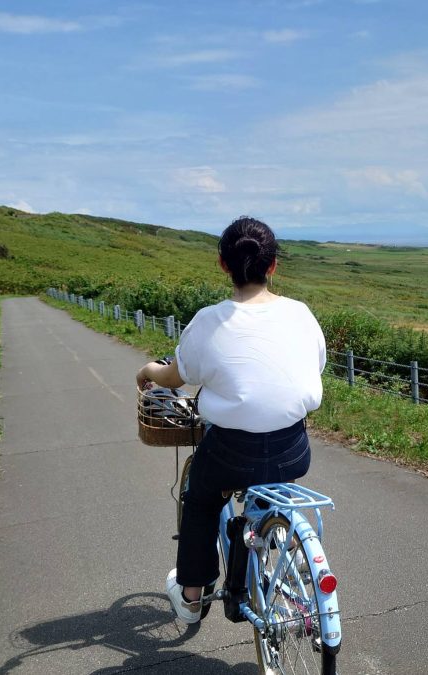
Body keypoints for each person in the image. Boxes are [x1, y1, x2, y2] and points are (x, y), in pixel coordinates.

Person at [135, 216, 327, 624]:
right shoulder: (301, 314)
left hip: (232, 451)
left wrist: (151, 371)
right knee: (265, 477)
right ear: (273, 266)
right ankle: (269, 535)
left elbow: (177, 377)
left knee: (201, 501)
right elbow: (314, 367)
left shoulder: (208, 320)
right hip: (293, 449)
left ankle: (190, 596)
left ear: (223, 265)